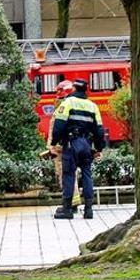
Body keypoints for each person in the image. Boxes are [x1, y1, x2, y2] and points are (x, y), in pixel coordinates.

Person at [51, 78, 104, 220]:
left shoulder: (68, 103)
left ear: (74, 89)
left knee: (69, 175)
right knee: (87, 175)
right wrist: (99, 148)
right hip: (86, 144)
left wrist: (54, 143)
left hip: (71, 143)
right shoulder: (93, 106)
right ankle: (88, 210)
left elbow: (59, 125)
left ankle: (67, 209)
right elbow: (99, 130)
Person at [48, 80, 80, 216]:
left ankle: (70, 204)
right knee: (70, 174)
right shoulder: (74, 106)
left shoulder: (63, 108)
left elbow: (57, 129)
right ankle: (73, 202)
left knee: (65, 175)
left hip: (61, 148)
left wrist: (52, 146)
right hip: (68, 146)